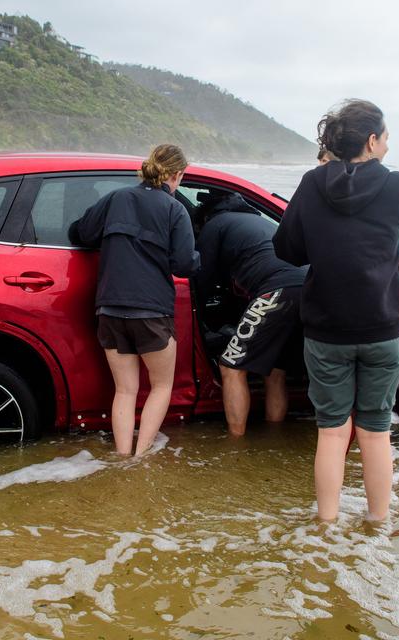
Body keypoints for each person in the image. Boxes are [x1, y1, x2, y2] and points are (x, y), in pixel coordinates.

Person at [273, 99, 399, 523]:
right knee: (376, 431)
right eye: (386, 137)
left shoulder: (313, 183)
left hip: (327, 328)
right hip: (384, 325)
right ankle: (377, 524)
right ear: (371, 141)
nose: (388, 145)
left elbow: (287, 249)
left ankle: (326, 526)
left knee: (333, 432)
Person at [69, 144, 200, 456]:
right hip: (152, 312)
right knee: (161, 387)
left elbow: (81, 233)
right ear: (177, 175)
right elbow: (184, 264)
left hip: (110, 309)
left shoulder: (117, 198)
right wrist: (198, 257)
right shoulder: (174, 210)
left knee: (125, 390)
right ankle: (141, 456)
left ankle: (123, 455)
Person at [193, 192, 305, 435]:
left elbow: (201, 277)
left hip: (278, 289)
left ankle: (236, 443)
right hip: (309, 287)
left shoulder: (215, 225)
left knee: (231, 367)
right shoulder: (256, 222)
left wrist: (197, 316)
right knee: (276, 371)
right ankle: (273, 437)